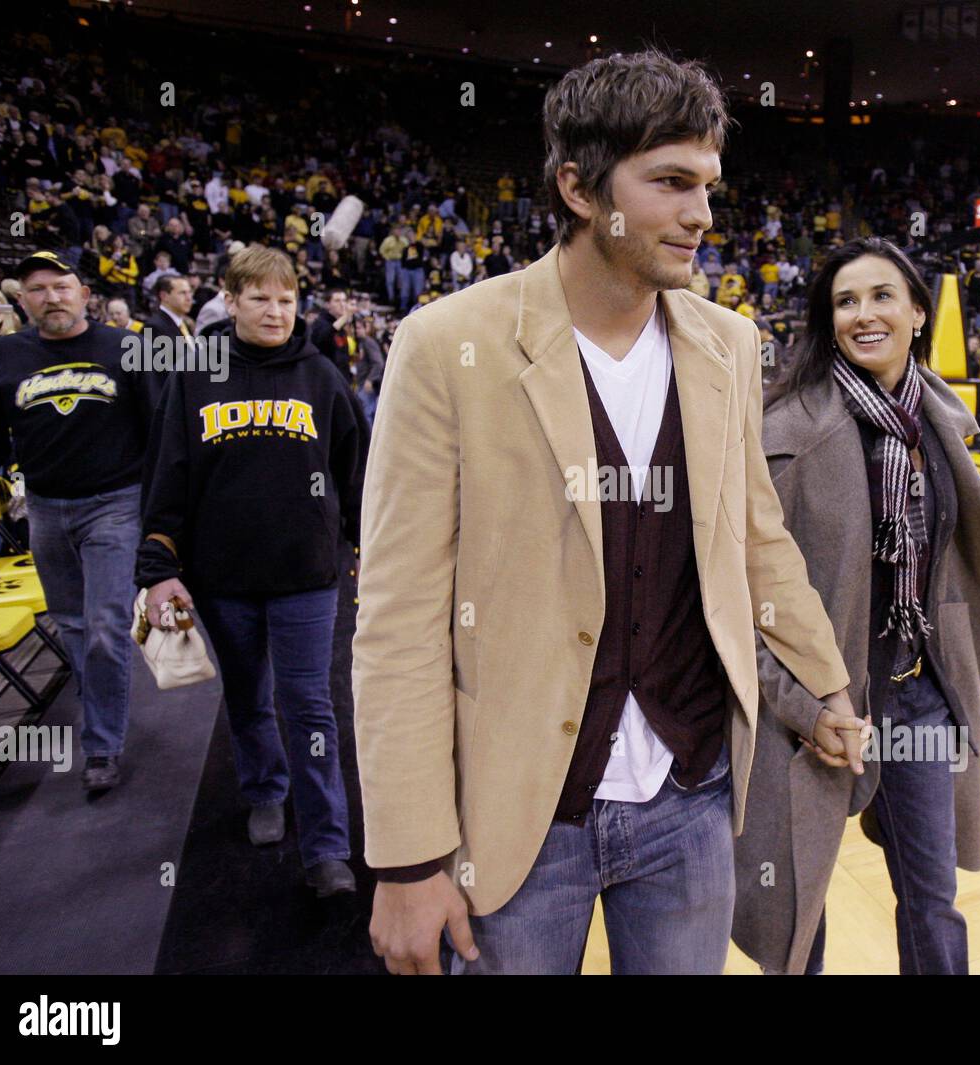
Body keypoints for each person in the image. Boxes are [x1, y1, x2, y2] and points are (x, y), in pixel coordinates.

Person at [354, 49, 862, 976]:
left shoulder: (729, 343)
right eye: (670, 182)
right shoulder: (447, 345)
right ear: (580, 189)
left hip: (691, 794)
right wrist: (408, 856)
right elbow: (398, 620)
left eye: (707, 185)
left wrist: (826, 684)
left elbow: (758, 537)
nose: (702, 213)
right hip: (519, 813)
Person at [733, 238, 980, 974]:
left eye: (881, 296)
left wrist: (950, 659)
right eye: (845, 301)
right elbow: (747, 597)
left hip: (917, 700)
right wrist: (803, 705)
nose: (863, 314)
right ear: (828, 320)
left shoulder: (938, 420)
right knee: (797, 912)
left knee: (933, 897)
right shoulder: (786, 432)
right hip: (818, 708)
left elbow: (955, 561)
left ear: (919, 312)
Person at [136, 246, 369, 897]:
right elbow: (167, 475)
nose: (275, 311)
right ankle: (265, 788)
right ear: (230, 300)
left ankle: (327, 845)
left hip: (307, 575)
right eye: (260, 298)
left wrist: (370, 547)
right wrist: (158, 567)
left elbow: (358, 475)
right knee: (246, 694)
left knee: (311, 706)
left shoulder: (321, 375)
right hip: (222, 578)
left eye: (286, 299)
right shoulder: (194, 376)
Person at [0, 251, 155, 791]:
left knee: (105, 626)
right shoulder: (4, 355)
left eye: (61, 286)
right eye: (37, 289)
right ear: (22, 301)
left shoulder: (126, 348)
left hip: (116, 503)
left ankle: (101, 747)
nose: (51, 297)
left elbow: (162, 430)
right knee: (72, 624)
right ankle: (101, 701)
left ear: (84, 294)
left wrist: (166, 514)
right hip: (45, 508)